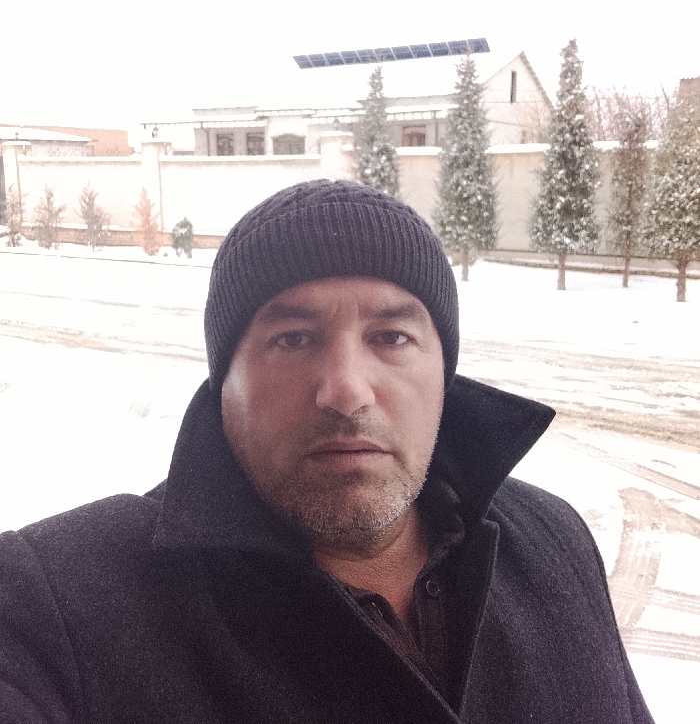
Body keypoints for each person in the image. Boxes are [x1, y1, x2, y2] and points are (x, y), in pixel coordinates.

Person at [0, 179, 654, 724]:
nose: (346, 390)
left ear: (443, 373)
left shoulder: (554, 542)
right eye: (292, 338)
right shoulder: (54, 603)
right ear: (224, 379)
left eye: (391, 337)